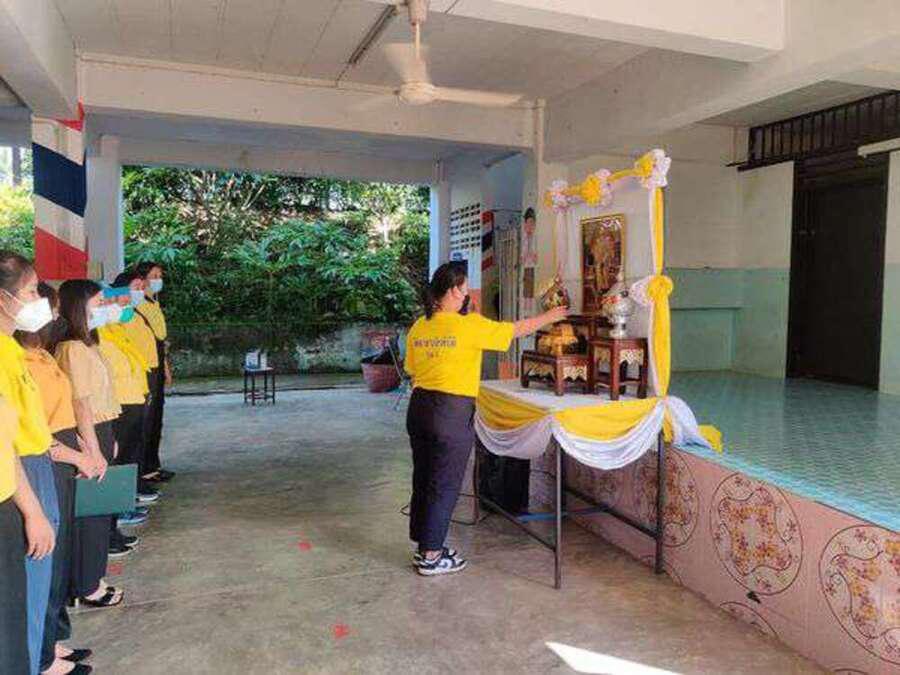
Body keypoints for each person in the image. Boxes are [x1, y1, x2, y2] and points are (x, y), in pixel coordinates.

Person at [404, 262, 567, 576]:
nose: (468, 295)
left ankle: (425, 546)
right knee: (444, 483)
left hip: (420, 408)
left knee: (424, 479)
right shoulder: (469, 325)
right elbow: (513, 330)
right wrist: (550, 317)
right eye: (465, 289)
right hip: (450, 412)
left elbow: (412, 369)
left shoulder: (420, 326)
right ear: (455, 291)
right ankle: (432, 556)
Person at [16, 283, 96, 674]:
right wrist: (77, 453)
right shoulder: (18, 361)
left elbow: (64, 409)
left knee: (57, 559)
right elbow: (31, 432)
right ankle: (42, 657)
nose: (55, 316)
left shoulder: (43, 356)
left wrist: (82, 445)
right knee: (43, 557)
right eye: (45, 303)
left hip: (60, 451)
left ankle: (49, 643)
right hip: (41, 458)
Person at [0, 252, 59, 674]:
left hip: (30, 466)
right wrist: (33, 510)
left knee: (31, 588)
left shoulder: (11, 350)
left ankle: (38, 657)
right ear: (4, 300)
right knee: (25, 589)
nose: (40, 300)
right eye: (33, 290)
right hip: (18, 477)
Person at [56, 280, 123, 608]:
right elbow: (80, 403)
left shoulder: (88, 344)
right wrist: (94, 450)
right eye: (97, 303)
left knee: (99, 509)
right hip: (89, 432)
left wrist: (109, 439)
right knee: (90, 515)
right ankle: (87, 585)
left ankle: (93, 575)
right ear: (78, 308)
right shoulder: (72, 349)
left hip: (101, 429)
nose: (103, 309)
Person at [97, 284, 153, 557]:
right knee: (117, 463)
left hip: (131, 400)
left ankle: (121, 512)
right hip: (116, 407)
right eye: (108, 302)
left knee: (128, 458)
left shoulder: (116, 331)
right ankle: (116, 516)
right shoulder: (97, 337)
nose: (121, 306)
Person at [134, 262, 173, 483]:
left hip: (157, 357)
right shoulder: (137, 305)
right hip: (146, 363)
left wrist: (165, 366)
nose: (158, 279)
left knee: (157, 416)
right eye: (153, 275)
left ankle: (152, 464)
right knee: (148, 419)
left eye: (160, 275)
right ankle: (145, 468)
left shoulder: (153, 301)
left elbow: (160, 338)